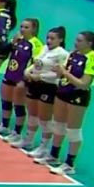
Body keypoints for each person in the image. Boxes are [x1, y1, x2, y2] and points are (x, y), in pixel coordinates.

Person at [37, 30, 94, 175]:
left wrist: (64, 73)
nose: (75, 42)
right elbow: (62, 73)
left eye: (79, 41)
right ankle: (53, 156)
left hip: (77, 96)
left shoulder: (93, 59)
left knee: (73, 130)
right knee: (58, 125)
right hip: (63, 91)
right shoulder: (73, 54)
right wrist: (56, 71)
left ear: (89, 43)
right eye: (76, 40)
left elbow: (84, 84)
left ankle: (69, 164)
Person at [17, 26, 67, 154]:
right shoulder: (44, 48)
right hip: (34, 84)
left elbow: (58, 74)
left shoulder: (62, 54)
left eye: (52, 39)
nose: (49, 41)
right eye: (48, 38)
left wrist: (40, 76)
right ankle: (28, 140)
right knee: (32, 114)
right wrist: (28, 71)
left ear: (60, 40)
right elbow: (36, 63)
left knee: (44, 119)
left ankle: (43, 147)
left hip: (49, 86)